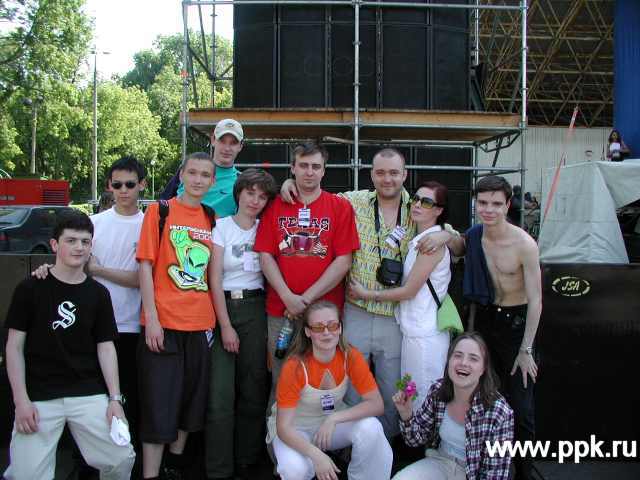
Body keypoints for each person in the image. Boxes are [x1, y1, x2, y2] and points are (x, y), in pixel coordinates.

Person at [281, 148, 454, 438]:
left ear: (404, 175)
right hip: (356, 310)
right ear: (371, 174)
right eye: (381, 172)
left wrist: (447, 234)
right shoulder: (353, 200)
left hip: (394, 315)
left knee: (391, 384)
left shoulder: (417, 207)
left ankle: (387, 444)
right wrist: (291, 184)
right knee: (350, 381)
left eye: (394, 173)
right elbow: (315, 194)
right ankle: (349, 442)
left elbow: (455, 239)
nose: (387, 179)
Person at [32, 155, 147, 477]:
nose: (123, 190)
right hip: (88, 328)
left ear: (142, 185)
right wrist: (47, 269)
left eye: (129, 184)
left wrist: (99, 270)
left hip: (131, 326)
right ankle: (83, 467)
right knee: (86, 402)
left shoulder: (149, 225)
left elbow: (142, 279)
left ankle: (126, 464)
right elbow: (71, 262)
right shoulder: (94, 223)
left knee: (126, 400)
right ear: (109, 186)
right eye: (116, 184)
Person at [4, 210, 135, 479]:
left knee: (121, 458)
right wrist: (21, 401)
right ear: (55, 244)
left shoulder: (99, 294)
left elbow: (106, 347)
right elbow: (14, 347)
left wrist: (114, 399)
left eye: (85, 242)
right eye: (71, 240)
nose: (79, 247)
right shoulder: (30, 288)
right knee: (27, 475)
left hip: (87, 392)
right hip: (39, 395)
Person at [435, 175, 541, 480]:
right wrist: (444, 234)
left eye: (496, 203)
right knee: (478, 397)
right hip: (483, 322)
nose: (489, 209)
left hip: (516, 326)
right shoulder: (475, 235)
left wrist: (526, 350)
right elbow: (457, 248)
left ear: (507, 205)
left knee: (521, 408)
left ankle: (524, 473)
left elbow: (536, 301)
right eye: (482, 203)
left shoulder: (524, 244)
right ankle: (480, 466)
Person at [254, 141, 360, 408]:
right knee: (282, 380)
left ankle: (323, 434)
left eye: (315, 166)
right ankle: (279, 433)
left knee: (324, 381)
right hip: (281, 311)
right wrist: (288, 297)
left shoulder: (339, 207)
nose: (309, 172)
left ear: (324, 170)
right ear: (293, 168)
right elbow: (265, 256)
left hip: (325, 315)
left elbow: (343, 261)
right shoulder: (275, 206)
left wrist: (305, 300)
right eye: (303, 165)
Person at [136, 151, 217, 480]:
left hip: (200, 324)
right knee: (159, 404)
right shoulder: (160, 211)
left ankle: (174, 466)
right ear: (181, 175)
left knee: (190, 404)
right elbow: (145, 266)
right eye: (192, 172)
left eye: (205, 175)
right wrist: (152, 318)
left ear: (212, 181)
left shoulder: (210, 216)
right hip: (164, 323)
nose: (198, 180)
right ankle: (151, 473)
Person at [348, 181, 452, 409]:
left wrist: (367, 294)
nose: (418, 205)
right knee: (409, 396)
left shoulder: (432, 244)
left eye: (427, 202)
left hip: (425, 336)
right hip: (413, 332)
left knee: (423, 400)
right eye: (416, 199)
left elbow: (409, 291)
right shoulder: (422, 238)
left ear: (438, 210)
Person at [204, 169, 278, 480]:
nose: (255, 200)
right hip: (224, 307)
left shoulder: (266, 228)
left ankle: (247, 459)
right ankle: (218, 467)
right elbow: (214, 278)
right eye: (250, 193)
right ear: (239, 193)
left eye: (262, 196)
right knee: (219, 395)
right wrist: (225, 326)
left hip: (256, 308)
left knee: (253, 386)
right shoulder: (221, 227)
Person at [267, 300, 393, 480]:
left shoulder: (350, 356)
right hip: (295, 430)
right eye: (318, 328)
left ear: (340, 328)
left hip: (329, 425)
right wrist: (317, 455)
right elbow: (283, 428)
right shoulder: (295, 366)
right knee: (294, 469)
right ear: (308, 332)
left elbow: (376, 405)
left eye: (332, 325)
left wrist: (334, 418)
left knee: (371, 428)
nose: (327, 332)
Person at [392, 332, 514, 480]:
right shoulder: (437, 391)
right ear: (448, 361)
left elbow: (495, 474)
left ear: (483, 369)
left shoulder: (500, 412)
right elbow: (414, 440)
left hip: (472, 474)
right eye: (457, 355)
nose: (463, 362)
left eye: (473, 358)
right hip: (440, 461)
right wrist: (406, 414)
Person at [171, 118, 244, 217]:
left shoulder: (242, 182)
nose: (227, 148)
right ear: (213, 140)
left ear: (240, 146)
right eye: (222, 141)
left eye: (233, 143)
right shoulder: (188, 169)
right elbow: (164, 204)